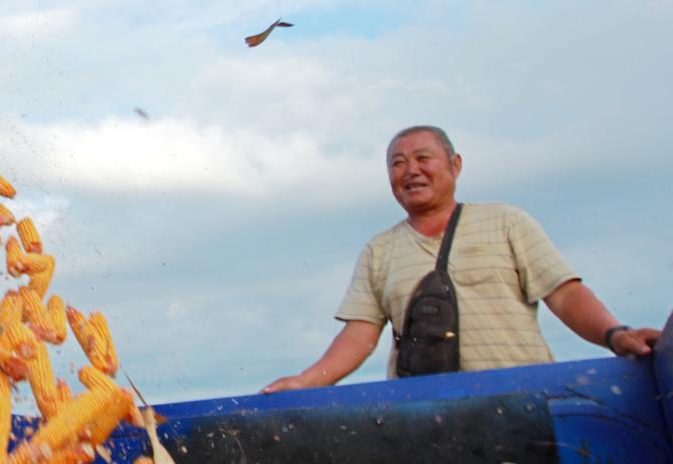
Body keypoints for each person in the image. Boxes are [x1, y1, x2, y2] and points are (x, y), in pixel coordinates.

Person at [263, 125, 660, 393]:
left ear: (455, 166)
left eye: (423, 158)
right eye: (397, 163)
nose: (410, 171)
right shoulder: (378, 250)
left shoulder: (506, 222)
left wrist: (615, 335)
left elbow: (565, 295)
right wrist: (306, 382)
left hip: (521, 400)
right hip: (427, 416)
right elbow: (359, 336)